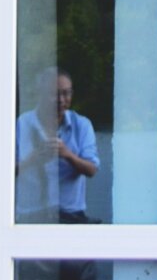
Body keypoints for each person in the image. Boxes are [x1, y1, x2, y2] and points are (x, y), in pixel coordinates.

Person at [14, 67, 100, 223]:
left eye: (66, 93)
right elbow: (5, 173)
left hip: (71, 215)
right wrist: (33, 159)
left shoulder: (82, 125)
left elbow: (92, 169)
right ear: (41, 94)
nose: (61, 100)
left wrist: (67, 155)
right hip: (31, 216)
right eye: (53, 94)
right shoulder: (22, 124)